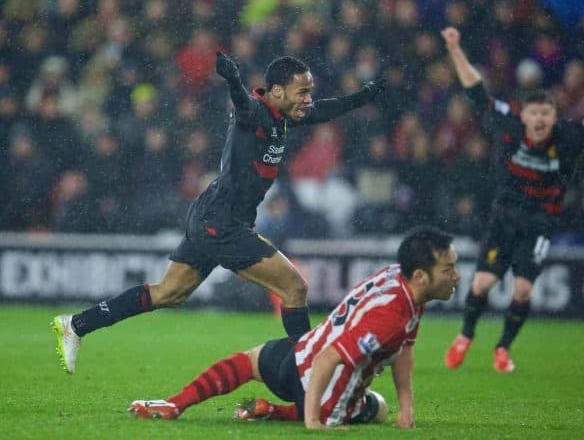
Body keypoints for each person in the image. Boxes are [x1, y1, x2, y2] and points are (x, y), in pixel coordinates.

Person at [51, 51, 387, 374]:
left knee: (169, 293)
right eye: (303, 92)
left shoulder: (284, 117)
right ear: (278, 92)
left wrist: (367, 95)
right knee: (294, 287)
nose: (308, 99)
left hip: (213, 216)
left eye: (309, 92)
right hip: (221, 224)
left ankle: (77, 324)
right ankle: (308, 373)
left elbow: (327, 109)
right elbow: (242, 105)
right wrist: (234, 81)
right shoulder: (255, 113)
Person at [128, 226, 460, 429]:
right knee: (378, 408)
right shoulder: (393, 316)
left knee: (249, 361)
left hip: (294, 355)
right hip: (321, 386)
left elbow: (403, 349)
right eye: (448, 270)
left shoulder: (394, 276)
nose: (456, 276)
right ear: (420, 276)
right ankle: (280, 412)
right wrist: (314, 420)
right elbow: (330, 358)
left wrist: (409, 409)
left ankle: (176, 403)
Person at [441, 27, 584, 373]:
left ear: (553, 117)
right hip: (504, 218)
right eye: (534, 114)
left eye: (545, 115)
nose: (539, 120)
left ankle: (503, 348)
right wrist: (455, 48)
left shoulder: (569, 136)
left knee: (522, 291)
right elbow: (476, 91)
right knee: (482, 284)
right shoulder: (508, 122)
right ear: (524, 115)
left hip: (540, 224)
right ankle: (465, 335)